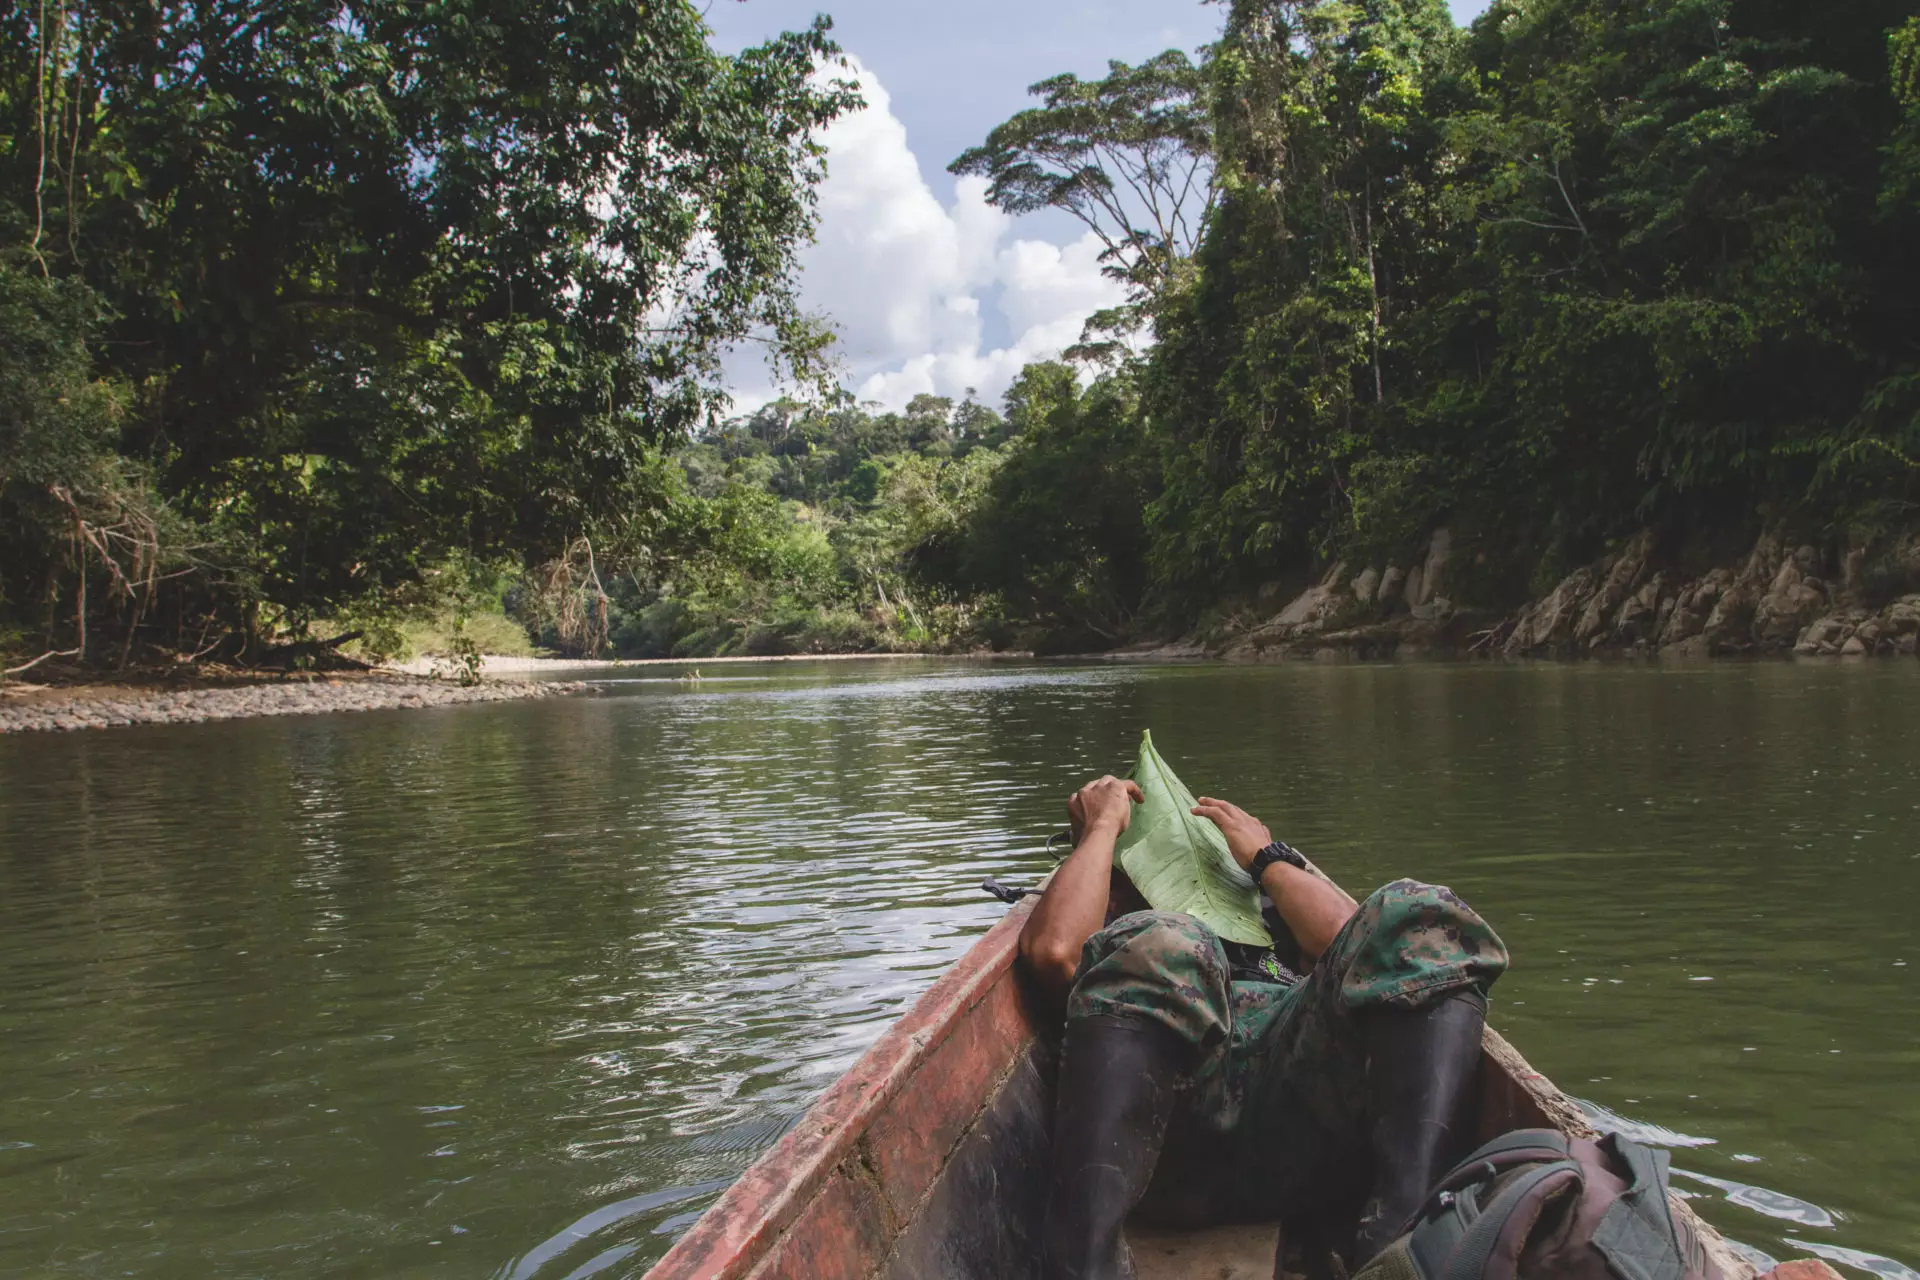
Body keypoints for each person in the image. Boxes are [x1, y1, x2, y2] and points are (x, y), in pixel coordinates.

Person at [1019, 775, 1509, 1280]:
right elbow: (1055, 953)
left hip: (1301, 1106)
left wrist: (1267, 858)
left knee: (1419, 909)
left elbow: (1382, 947)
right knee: (1169, 939)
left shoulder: (1268, 904)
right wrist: (1101, 828)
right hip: (1166, 1130)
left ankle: (1397, 1244)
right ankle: (1087, 1267)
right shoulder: (1126, 918)